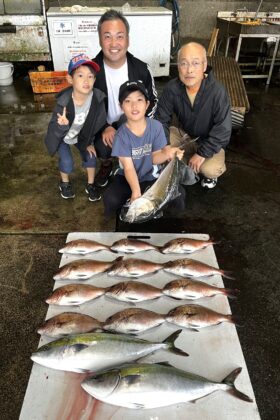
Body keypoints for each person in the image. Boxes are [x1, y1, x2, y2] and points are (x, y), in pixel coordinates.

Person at [92, 9, 158, 188]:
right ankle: (107, 164)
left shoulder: (141, 69)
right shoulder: (90, 71)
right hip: (105, 128)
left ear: (127, 39)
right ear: (100, 40)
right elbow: (85, 106)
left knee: (148, 138)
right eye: (107, 36)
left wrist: (134, 125)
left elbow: (153, 101)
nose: (114, 43)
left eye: (119, 36)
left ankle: (137, 164)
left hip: (133, 122)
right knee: (102, 146)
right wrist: (104, 127)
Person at [103, 80, 184, 220]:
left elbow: (155, 157)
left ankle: (156, 212)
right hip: (127, 177)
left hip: (151, 175)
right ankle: (131, 208)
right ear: (121, 106)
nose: (134, 105)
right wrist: (136, 192)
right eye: (127, 101)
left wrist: (168, 154)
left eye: (139, 99)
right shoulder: (121, 135)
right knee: (110, 200)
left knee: (179, 197)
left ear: (147, 104)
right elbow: (128, 168)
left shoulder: (156, 127)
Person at [155, 42, 232, 189]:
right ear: (178, 67)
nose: (189, 70)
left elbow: (223, 129)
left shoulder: (217, 92)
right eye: (184, 64)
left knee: (210, 170)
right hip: (185, 136)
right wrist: (165, 147)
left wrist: (202, 153)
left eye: (195, 63)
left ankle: (193, 164)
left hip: (208, 140)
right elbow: (161, 119)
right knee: (157, 142)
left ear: (204, 66)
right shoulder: (172, 88)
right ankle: (183, 162)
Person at [44, 53, 108, 201]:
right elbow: (52, 130)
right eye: (80, 76)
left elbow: (96, 123)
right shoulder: (63, 102)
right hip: (63, 137)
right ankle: (64, 183)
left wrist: (90, 142)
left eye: (90, 76)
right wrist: (62, 126)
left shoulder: (97, 99)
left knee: (91, 155)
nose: (86, 80)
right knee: (67, 162)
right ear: (70, 79)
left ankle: (90, 184)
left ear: (94, 80)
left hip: (81, 135)